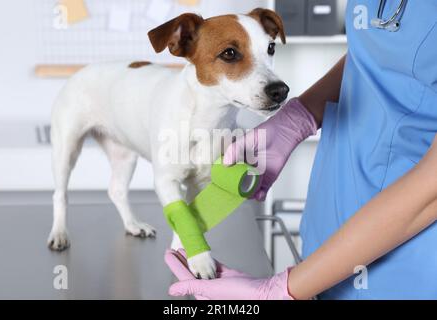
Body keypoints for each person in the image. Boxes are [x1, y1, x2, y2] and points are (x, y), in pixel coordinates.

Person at [165, 0, 437, 299]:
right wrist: (300, 116)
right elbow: (380, 55)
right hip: (331, 228)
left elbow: (431, 189)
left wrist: (282, 289)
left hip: (412, 263)